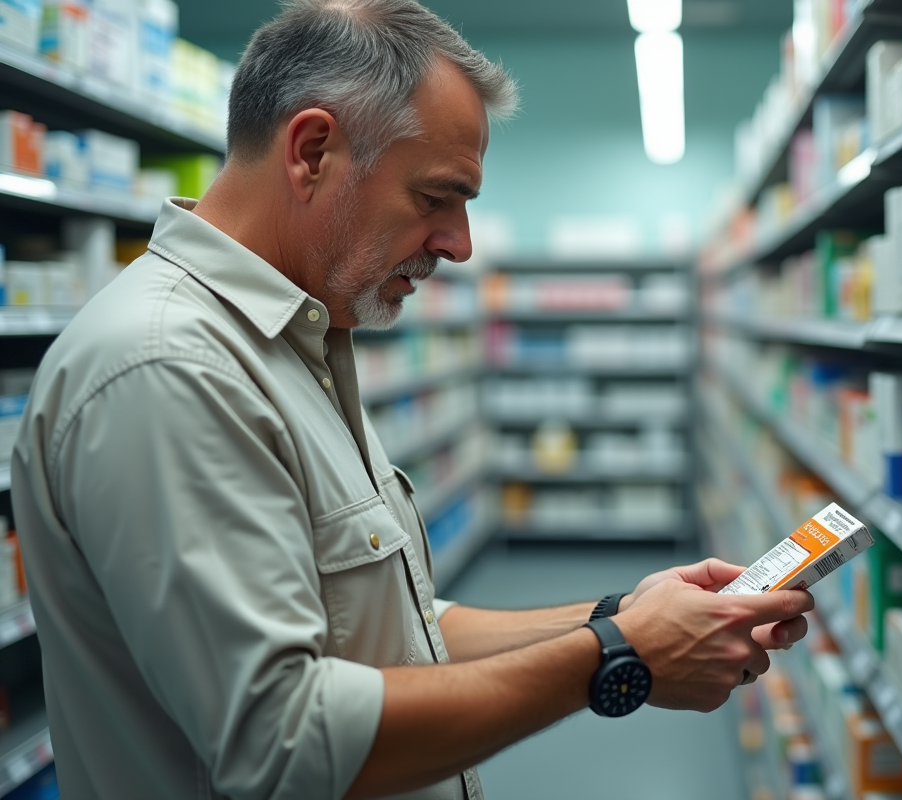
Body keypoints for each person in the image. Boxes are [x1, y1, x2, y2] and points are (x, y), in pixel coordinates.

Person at [10, 1, 814, 798]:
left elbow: (404, 630)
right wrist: (619, 658)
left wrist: (619, 616)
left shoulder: (301, 343)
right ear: (312, 151)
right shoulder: (169, 367)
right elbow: (282, 742)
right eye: (436, 197)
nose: (460, 245)